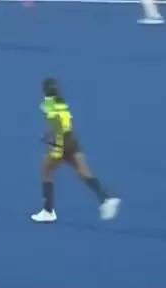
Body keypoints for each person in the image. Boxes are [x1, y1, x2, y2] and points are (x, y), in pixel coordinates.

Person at [31, 78, 120, 223]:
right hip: (72, 139)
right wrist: (47, 135)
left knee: (45, 169)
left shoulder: (47, 105)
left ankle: (48, 211)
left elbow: (55, 126)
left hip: (61, 141)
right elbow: (64, 122)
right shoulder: (61, 102)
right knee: (83, 172)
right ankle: (106, 199)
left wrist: (56, 149)